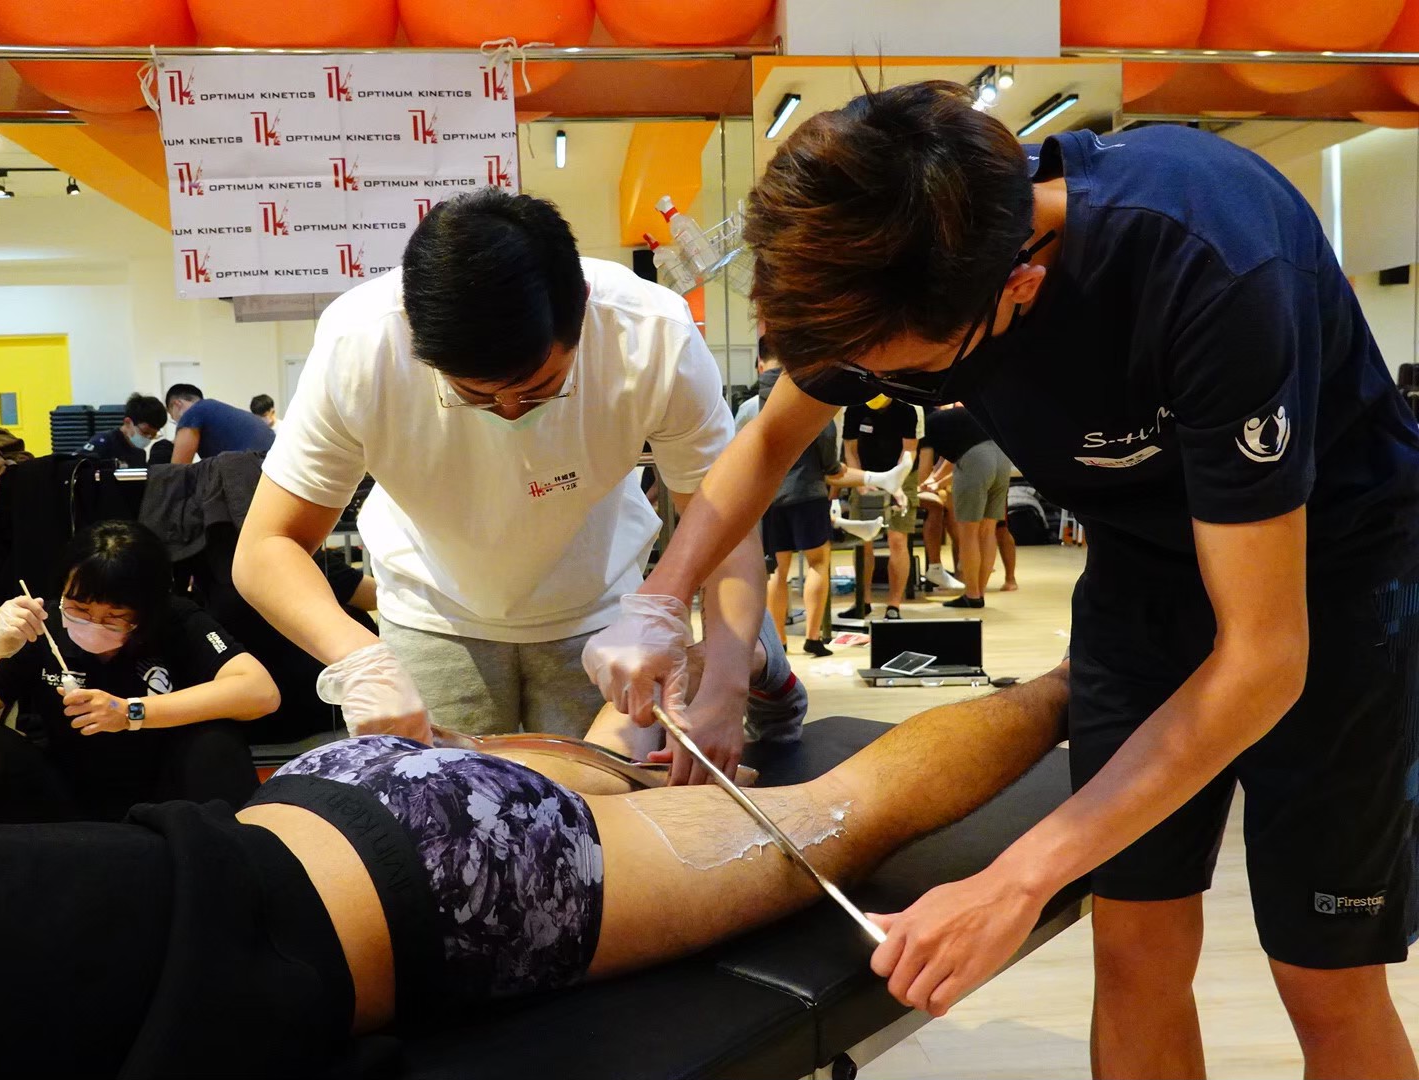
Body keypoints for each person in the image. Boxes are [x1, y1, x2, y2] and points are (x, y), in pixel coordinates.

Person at [584, 80, 1419, 1079]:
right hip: (1138, 574)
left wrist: (1016, 880)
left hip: (1334, 578)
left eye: (902, 370)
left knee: (1325, 975)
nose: (874, 385)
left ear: (1018, 286)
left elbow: (1264, 658)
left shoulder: (1208, 264)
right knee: (1137, 944)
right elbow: (767, 443)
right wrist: (661, 597)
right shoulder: (898, 241)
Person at [0, 654, 1070, 1078]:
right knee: (590, 771)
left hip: (439, 872)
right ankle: (672, 727)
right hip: (322, 790)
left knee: (844, 809)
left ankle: (1083, 676)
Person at [234, 190, 804, 787]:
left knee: (603, 801)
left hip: (602, 613)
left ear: (581, 309)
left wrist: (725, 691)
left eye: (539, 388)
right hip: (434, 615)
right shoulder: (360, 345)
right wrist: (360, 659)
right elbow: (266, 547)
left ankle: (755, 658)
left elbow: (726, 521)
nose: (509, 411)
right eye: (476, 395)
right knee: (449, 811)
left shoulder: (651, 334)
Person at [0, 520, 278, 822]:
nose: (94, 623)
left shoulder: (177, 621)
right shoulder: (42, 626)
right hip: (59, 792)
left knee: (217, 741)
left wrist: (130, 713)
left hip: (165, 794)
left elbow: (261, 692)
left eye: (115, 616)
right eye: (80, 608)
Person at [738, 341, 910, 656]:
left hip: (769, 499)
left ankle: (779, 641)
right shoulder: (811, 404)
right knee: (817, 564)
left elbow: (737, 456)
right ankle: (813, 638)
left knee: (777, 570)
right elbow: (831, 463)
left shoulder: (749, 408)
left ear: (760, 363)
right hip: (808, 494)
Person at [920, 404, 1014, 608]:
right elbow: (956, 457)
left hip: (977, 460)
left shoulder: (925, 424)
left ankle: (972, 595)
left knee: (968, 533)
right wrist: (936, 480)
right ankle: (979, 593)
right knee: (988, 531)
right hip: (1003, 457)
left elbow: (925, 467)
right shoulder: (957, 417)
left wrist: (918, 487)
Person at [840, 395, 918, 620]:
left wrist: (896, 484)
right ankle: (862, 601)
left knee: (897, 539)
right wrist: (860, 481)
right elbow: (850, 450)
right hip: (866, 475)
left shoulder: (906, 409)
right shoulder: (854, 408)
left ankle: (894, 605)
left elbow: (909, 451)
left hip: (902, 475)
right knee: (863, 541)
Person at [165, 384, 277, 464]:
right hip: (275, 469)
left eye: (173, 417)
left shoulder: (192, 413)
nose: (178, 423)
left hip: (254, 472)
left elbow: (178, 470)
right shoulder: (217, 410)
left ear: (177, 404)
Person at [78, 392, 166, 468]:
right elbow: (77, 467)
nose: (148, 438)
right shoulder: (103, 443)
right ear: (128, 422)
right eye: (145, 432)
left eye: (153, 435)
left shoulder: (140, 454)